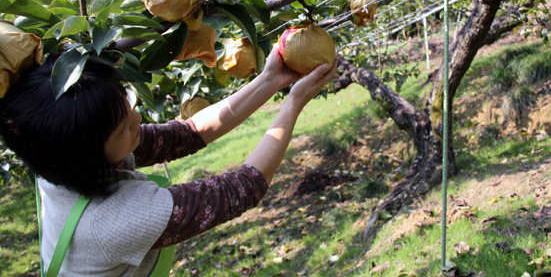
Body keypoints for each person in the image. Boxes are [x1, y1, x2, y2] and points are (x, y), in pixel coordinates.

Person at [0, 44, 338, 276]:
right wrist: (293, 104)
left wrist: (269, 80)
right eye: (122, 127)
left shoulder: (55, 159)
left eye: (126, 104)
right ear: (87, 157)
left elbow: (187, 132)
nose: (136, 120)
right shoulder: (116, 222)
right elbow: (241, 188)